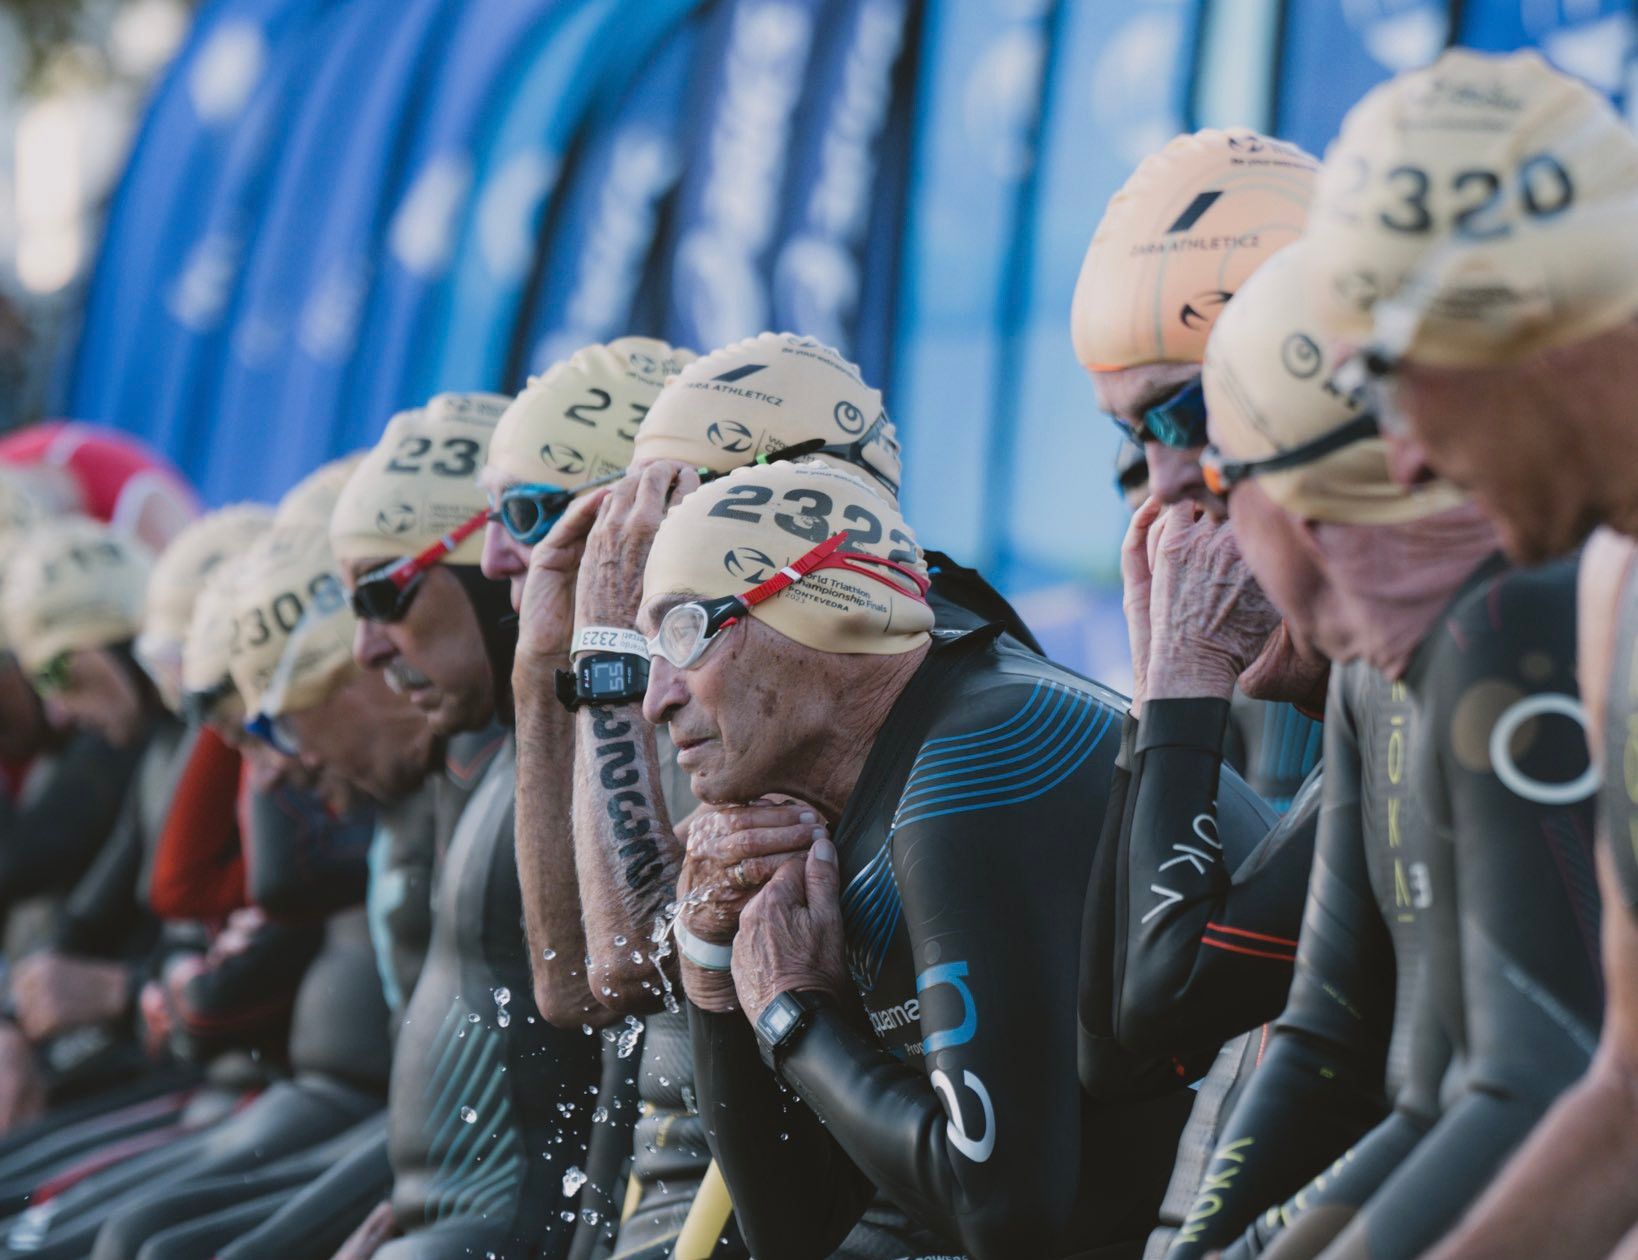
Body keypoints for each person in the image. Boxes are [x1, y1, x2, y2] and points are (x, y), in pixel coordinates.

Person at [628, 457, 1195, 1260]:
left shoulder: (972, 767)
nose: (657, 699)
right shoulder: (852, 800)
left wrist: (794, 1016)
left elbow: (1003, 1212)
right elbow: (795, 1229)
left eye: (684, 633)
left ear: (810, 610)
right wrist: (716, 966)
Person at [1175, 238, 1602, 1259]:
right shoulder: (1385, 666)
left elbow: (1546, 1085)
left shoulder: (1509, 633)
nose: (1172, 505)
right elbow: (1345, 1051)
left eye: (1197, 458)